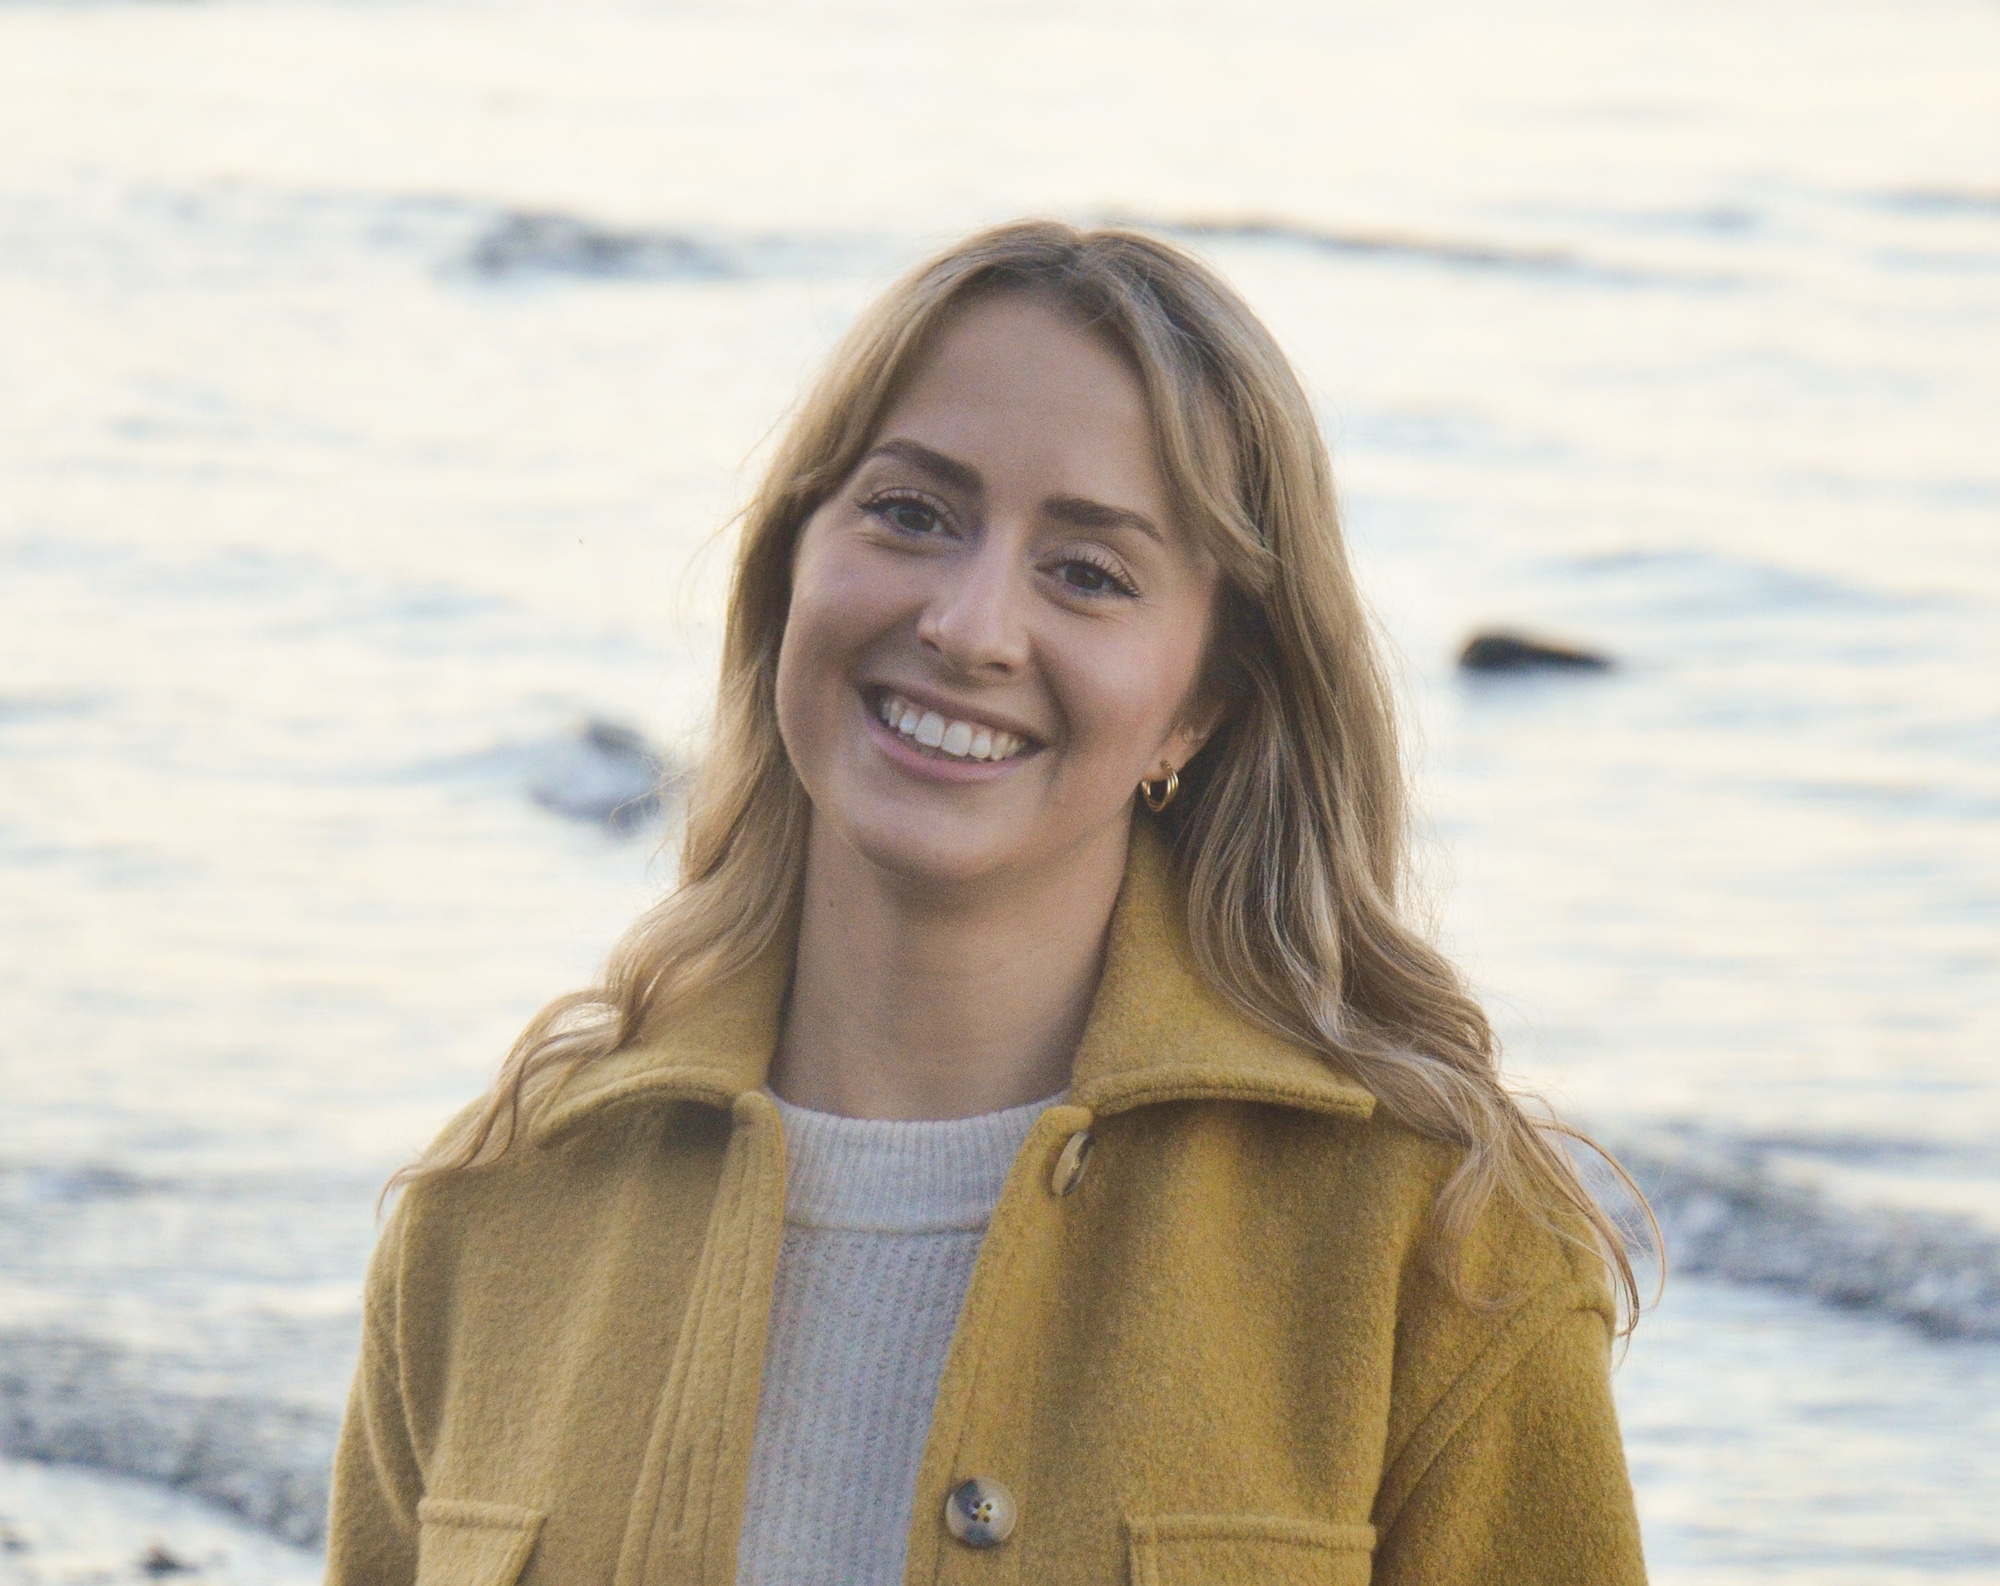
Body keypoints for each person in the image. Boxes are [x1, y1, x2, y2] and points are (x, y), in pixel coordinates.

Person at [326, 221, 1650, 1586]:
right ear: (789, 568)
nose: (968, 626)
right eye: (910, 512)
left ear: (1200, 701)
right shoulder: (492, 1218)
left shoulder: (1434, 1249)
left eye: (1088, 571)